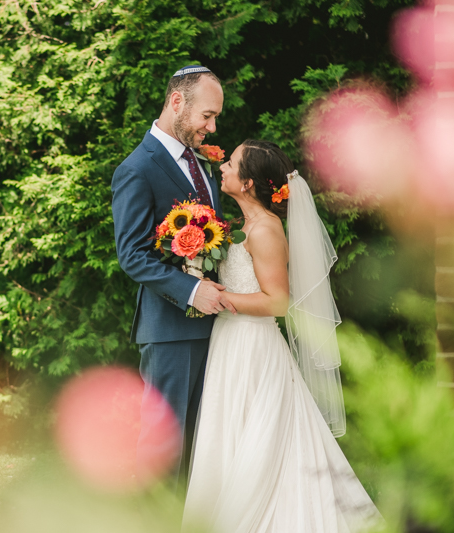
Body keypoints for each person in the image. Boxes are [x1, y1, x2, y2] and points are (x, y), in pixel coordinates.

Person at [182, 140, 383, 532]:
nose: (222, 167)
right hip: (231, 340)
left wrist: (221, 298)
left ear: (248, 183)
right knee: (231, 433)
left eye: (232, 164)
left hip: (253, 346)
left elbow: (277, 302)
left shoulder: (266, 232)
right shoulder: (242, 227)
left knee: (261, 436)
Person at [111, 65, 233, 493]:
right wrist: (192, 290)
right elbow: (132, 255)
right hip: (169, 333)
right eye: (207, 116)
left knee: (203, 450)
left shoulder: (199, 163)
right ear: (177, 102)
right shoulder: (136, 168)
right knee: (164, 453)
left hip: (216, 328)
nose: (212, 127)